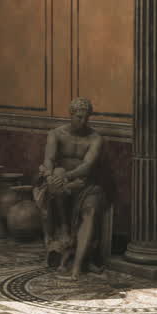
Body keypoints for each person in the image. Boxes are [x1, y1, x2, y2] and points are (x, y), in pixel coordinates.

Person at [33, 97, 108, 279]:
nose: (83, 122)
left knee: (90, 210)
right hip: (59, 182)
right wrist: (51, 175)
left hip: (84, 185)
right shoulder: (57, 134)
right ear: (71, 115)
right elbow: (49, 159)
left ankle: (77, 266)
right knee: (56, 172)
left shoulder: (95, 138)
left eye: (86, 118)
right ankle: (65, 229)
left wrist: (66, 177)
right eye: (79, 117)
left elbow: (87, 166)